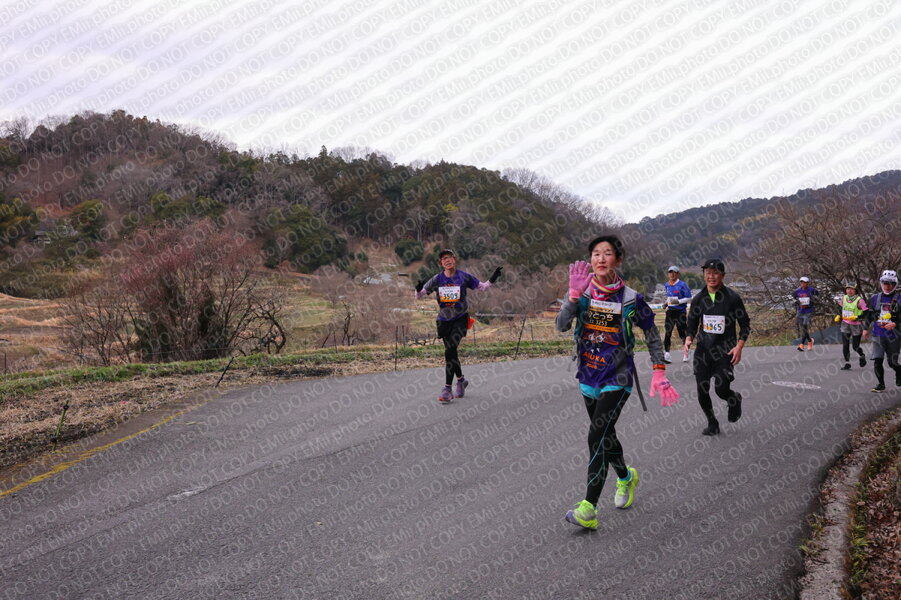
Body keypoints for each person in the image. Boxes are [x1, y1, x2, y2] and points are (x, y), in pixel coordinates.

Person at [556, 235, 679, 530]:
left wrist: (659, 370)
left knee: (595, 436)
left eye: (607, 253)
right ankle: (626, 476)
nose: (600, 258)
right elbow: (561, 326)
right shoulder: (582, 292)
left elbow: (651, 333)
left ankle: (588, 509)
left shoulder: (631, 298)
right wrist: (572, 298)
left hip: (618, 377)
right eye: (596, 254)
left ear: (618, 260)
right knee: (606, 436)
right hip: (588, 375)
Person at [416, 249, 501, 403]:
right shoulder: (437, 279)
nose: (447, 260)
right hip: (444, 320)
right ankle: (461, 380)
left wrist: (493, 278)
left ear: (454, 260)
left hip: (460, 319)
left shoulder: (464, 276)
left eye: (450, 258)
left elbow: (482, 287)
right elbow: (420, 295)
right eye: (444, 259)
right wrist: (418, 289)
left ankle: (447, 389)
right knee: (452, 353)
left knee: (450, 350)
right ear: (441, 263)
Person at [684, 258, 751, 435]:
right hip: (703, 350)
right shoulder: (699, 299)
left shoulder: (733, 298)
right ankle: (712, 422)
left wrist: (739, 347)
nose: (711, 277)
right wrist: (689, 338)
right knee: (702, 390)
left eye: (715, 273)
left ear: (722, 276)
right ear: (704, 275)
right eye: (708, 273)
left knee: (721, 390)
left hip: (725, 350)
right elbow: (692, 323)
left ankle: (733, 398)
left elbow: (745, 324)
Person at [862, 270, 901, 392]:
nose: (887, 286)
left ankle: (899, 372)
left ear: (895, 284)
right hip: (878, 334)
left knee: (892, 362)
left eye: (890, 284)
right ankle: (881, 384)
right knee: (877, 360)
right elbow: (869, 315)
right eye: (885, 283)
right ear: (881, 283)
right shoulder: (874, 298)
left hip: (894, 336)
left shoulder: (899, 298)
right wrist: (865, 328)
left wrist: (895, 323)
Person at [834, 280, 868, 370]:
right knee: (845, 345)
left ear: (856, 290)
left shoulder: (859, 300)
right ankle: (847, 363)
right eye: (848, 289)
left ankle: (862, 355)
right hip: (845, 324)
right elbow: (840, 308)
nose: (849, 291)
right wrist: (838, 315)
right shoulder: (844, 298)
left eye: (852, 289)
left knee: (855, 346)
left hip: (856, 325)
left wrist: (857, 317)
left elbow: (866, 313)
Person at [663, 265, 692, 363]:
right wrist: (666, 304)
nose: (672, 274)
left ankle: (686, 353)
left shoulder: (683, 285)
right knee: (668, 332)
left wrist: (677, 302)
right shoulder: (667, 284)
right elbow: (669, 298)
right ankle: (667, 354)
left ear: (678, 274)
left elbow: (689, 298)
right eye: (670, 272)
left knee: (682, 333)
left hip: (680, 312)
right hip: (670, 312)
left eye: (674, 273)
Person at [793, 276, 819, 351]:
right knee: (803, 328)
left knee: (805, 326)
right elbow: (793, 298)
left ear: (807, 283)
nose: (803, 284)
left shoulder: (811, 290)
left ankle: (801, 345)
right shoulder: (797, 291)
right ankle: (810, 341)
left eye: (805, 283)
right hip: (800, 311)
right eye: (802, 282)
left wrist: (812, 300)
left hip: (808, 311)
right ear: (800, 283)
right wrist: (797, 301)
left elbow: (817, 296)